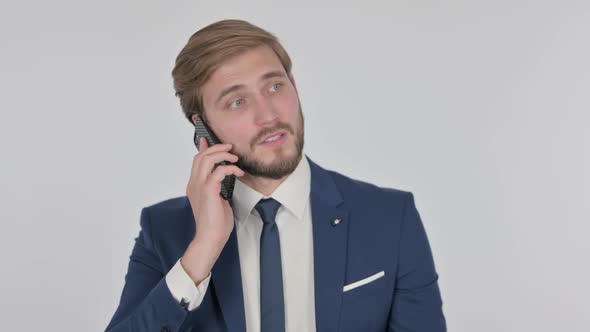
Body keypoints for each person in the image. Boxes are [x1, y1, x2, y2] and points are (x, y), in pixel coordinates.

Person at [106, 19, 446, 332]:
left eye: (274, 87)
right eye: (237, 102)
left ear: (295, 86)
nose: (268, 115)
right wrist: (204, 247)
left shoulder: (390, 217)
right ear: (202, 129)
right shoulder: (165, 231)